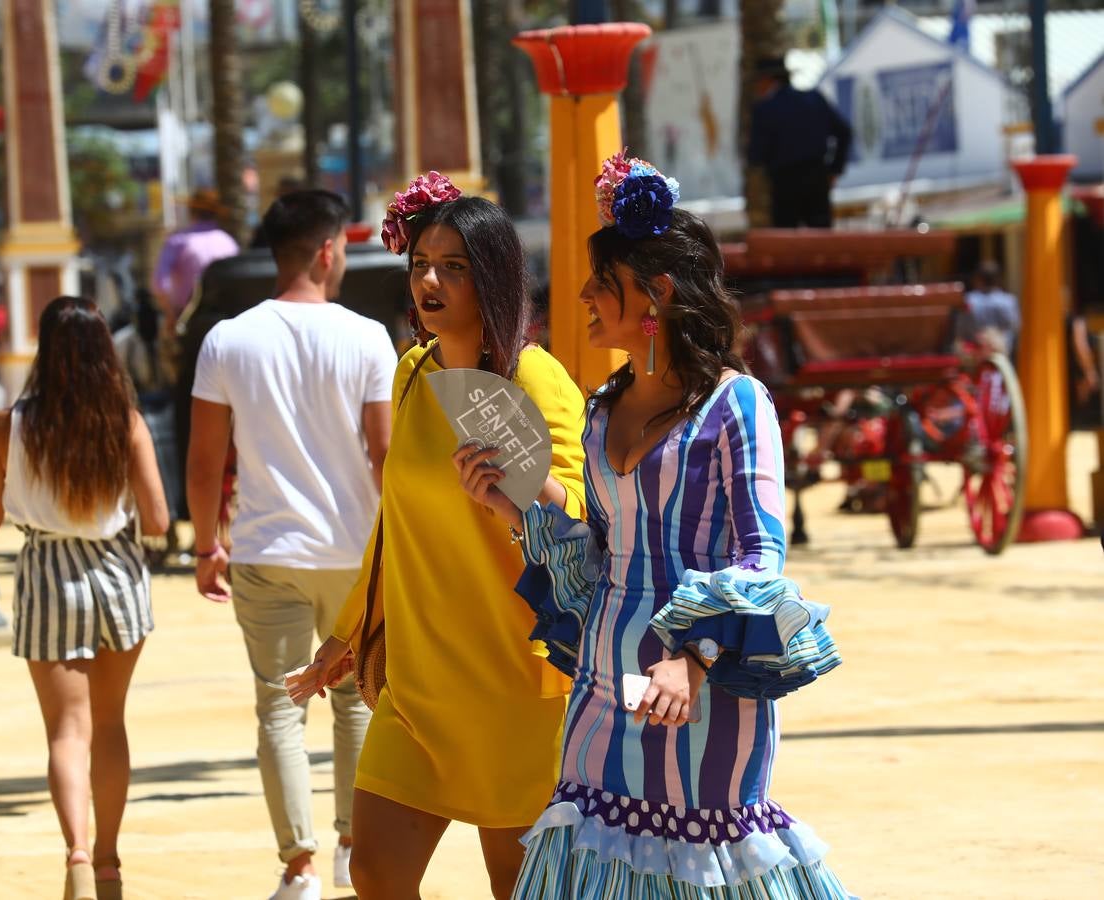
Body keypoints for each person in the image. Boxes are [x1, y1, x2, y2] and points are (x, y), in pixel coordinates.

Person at [490, 154, 849, 898]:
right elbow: (598, 557)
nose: (584, 294)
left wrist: (692, 656)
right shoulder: (598, 412)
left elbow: (762, 554)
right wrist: (516, 504)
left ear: (654, 293)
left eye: (602, 280)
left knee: (697, 865)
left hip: (703, 697)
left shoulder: (737, 405)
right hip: (600, 692)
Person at [295, 175, 588, 900]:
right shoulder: (412, 370)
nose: (429, 279)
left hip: (516, 687)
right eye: (421, 262)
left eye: (453, 266)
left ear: (492, 277)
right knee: (375, 874)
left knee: (519, 889)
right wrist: (349, 629)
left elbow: (580, 517)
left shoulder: (538, 378)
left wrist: (516, 497)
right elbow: (393, 520)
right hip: (419, 684)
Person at [186, 189, 397, 900]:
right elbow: (384, 453)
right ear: (329, 250)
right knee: (358, 702)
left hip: (265, 548)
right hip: (354, 551)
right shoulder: (368, 337)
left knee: (279, 707)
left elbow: (205, 459)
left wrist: (205, 546)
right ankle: (351, 846)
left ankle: (297, 865)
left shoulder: (227, 340)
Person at [0, 296, 169, 900]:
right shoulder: (126, 423)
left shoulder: (8, 424)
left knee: (66, 731)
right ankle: (109, 864)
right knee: (109, 724)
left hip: (47, 574)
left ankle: (77, 857)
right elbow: (158, 520)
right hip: (115, 574)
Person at [114, 289, 184, 563]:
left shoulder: (166, 337)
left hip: (167, 408)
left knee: (173, 469)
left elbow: (174, 374)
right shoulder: (123, 343)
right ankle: (158, 535)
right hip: (141, 411)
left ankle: (175, 530)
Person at [747, 56, 853, 228]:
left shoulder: (764, 110)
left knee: (787, 245)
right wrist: (834, 169)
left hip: (784, 184)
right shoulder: (814, 99)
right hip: (817, 177)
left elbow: (756, 155)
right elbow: (844, 132)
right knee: (821, 241)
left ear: (767, 80)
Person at [152, 187, 240, 328]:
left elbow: (160, 284)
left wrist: (171, 318)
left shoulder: (178, 241)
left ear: (191, 212)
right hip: (228, 320)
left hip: (188, 321)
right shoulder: (229, 242)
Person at [956, 260, 1020, 356]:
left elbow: (961, 332)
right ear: (998, 279)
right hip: (1003, 357)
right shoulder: (1009, 301)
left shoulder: (967, 301)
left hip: (975, 357)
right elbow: (1015, 328)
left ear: (978, 279)